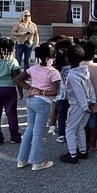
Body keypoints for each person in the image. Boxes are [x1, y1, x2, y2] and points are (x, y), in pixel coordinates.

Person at [14, 43, 61, 171]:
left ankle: (22, 159)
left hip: (31, 101)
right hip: (43, 103)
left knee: (29, 129)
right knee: (38, 132)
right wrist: (40, 92)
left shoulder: (34, 68)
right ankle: (37, 161)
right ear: (53, 57)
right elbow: (55, 92)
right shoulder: (53, 72)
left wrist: (31, 89)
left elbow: (18, 79)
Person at [60, 44, 96, 164]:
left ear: (68, 59)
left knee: (70, 130)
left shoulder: (72, 75)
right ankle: (83, 151)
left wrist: (85, 106)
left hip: (77, 105)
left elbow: (79, 92)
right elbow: (90, 86)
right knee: (80, 128)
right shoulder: (85, 71)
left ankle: (72, 154)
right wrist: (92, 100)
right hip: (87, 103)